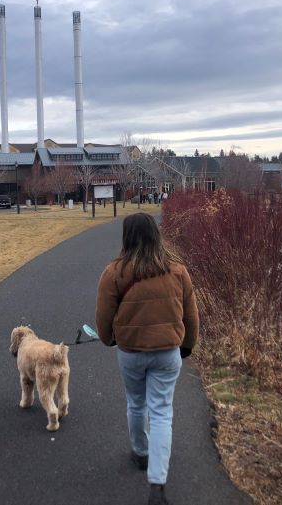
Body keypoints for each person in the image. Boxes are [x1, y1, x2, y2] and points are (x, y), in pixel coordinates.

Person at [95, 212, 199, 505]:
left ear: (126, 237)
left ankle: (140, 452)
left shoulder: (114, 272)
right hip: (167, 352)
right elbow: (191, 316)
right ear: (156, 235)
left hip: (130, 352)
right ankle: (157, 484)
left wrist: (108, 339)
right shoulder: (177, 271)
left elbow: (103, 318)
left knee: (136, 403)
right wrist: (188, 345)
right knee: (162, 412)